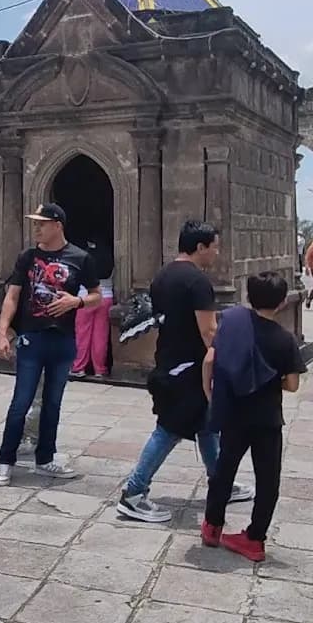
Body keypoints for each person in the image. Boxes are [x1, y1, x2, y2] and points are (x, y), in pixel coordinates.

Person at [116, 219, 254, 523]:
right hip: (188, 369)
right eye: (214, 247)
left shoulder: (163, 275)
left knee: (206, 426)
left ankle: (222, 483)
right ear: (200, 247)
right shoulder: (197, 282)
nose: (216, 253)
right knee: (169, 430)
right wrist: (230, 360)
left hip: (169, 359)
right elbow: (208, 331)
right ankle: (134, 492)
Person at [0, 203, 101, 486]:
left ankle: (45, 458)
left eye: (42, 223)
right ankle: (6, 460)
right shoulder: (28, 257)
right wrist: (2, 332)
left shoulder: (80, 258)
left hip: (63, 340)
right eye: (35, 223)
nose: (37, 228)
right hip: (32, 338)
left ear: (58, 225)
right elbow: (12, 297)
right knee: (21, 402)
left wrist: (75, 301)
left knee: (53, 403)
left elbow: (96, 296)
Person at [202, 272, 305, 561]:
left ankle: (212, 526)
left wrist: (210, 394)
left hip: (236, 414)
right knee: (268, 478)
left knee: (224, 471)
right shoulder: (285, 340)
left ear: (248, 296)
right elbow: (293, 385)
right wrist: (273, 380)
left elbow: (209, 360)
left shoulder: (233, 324)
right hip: (268, 419)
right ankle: (255, 538)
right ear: (283, 302)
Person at [72, 240, 114, 377]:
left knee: (82, 335)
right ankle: (100, 369)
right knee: (100, 336)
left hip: (85, 297)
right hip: (106, 296)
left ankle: (79, 367)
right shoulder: (109, 257)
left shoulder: (84, 258)